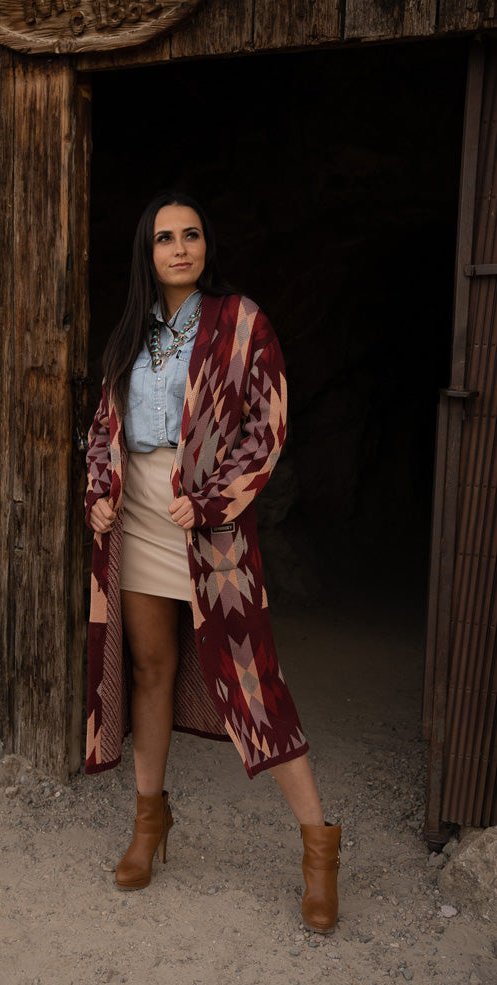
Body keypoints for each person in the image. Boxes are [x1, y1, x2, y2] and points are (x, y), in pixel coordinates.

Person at [84, 192, 341, 933]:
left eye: (190, 234)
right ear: (147, 252)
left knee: (252, 679)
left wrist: (211, 501)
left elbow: (267, 426)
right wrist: (98, 495)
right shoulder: (130, 332)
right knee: (149, 670)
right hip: (137, 520)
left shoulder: (241, 322)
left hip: (210, 532)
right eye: (164, 238)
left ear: (205, 245)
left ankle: (318, 848)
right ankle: (148, 823)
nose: (178, 247)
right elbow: (105, 428)